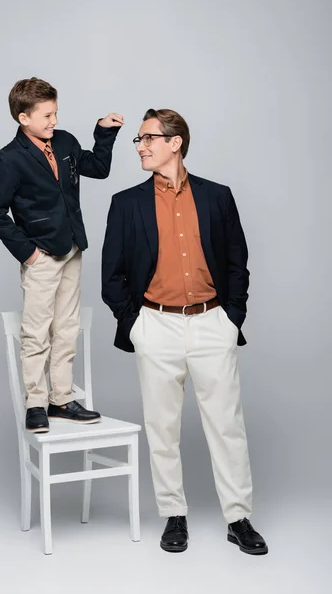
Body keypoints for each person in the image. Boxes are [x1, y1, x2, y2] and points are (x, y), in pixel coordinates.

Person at [101, 108, 267, 555]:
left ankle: (239, 518)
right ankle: (174, 516)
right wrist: (134, 326)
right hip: (154, 325)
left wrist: (232, 318)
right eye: (137, 139)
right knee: (162, 427)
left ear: (175, 142)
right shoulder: (126, 203)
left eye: (147, 138)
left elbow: (237, 263)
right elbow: (111, 277)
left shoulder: (217, 196)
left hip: (213, 322)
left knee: (227, 426)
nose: (139, 146)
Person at [0, 77, 123, 433]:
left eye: (55, 113)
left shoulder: (65, 142)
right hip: (41, 256)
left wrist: (103, 134)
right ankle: (36, 404)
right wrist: (28, 253)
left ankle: (61, 398)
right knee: (37, 331)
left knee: (67, 327)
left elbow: (98, 169)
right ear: (23, 118)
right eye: (46, 115)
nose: (54, 121)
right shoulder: (10, 159)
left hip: (72, 247)